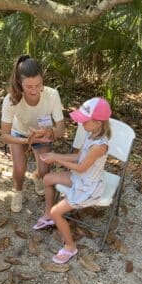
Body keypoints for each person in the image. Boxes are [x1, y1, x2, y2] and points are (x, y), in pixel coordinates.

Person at [33, 97, 112, 264]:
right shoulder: (91, 134)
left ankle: (70, 246)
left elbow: (81, 167)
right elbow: (78, 156)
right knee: (47, 178)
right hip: (79, 177)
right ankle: (48, 216)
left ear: (98, 122)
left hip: (88, 187)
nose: (81, 124)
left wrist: (56, 159)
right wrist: (56, 156)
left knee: (57, 212)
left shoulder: (99, 146)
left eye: (85, 120)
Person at [1, 55, 65, 213]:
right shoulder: (11, 100)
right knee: (20, 168)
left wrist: (50, 133)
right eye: (29, 86)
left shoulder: (52, 95)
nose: (35, 90)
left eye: (38, 85)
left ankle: (37, 176)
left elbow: (61, 130)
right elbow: (4, 135)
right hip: (18, 134)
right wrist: (26, 141)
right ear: (19, 83)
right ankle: (18, 190)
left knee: (44, 172)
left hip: (44, 135)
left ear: (43, 79)